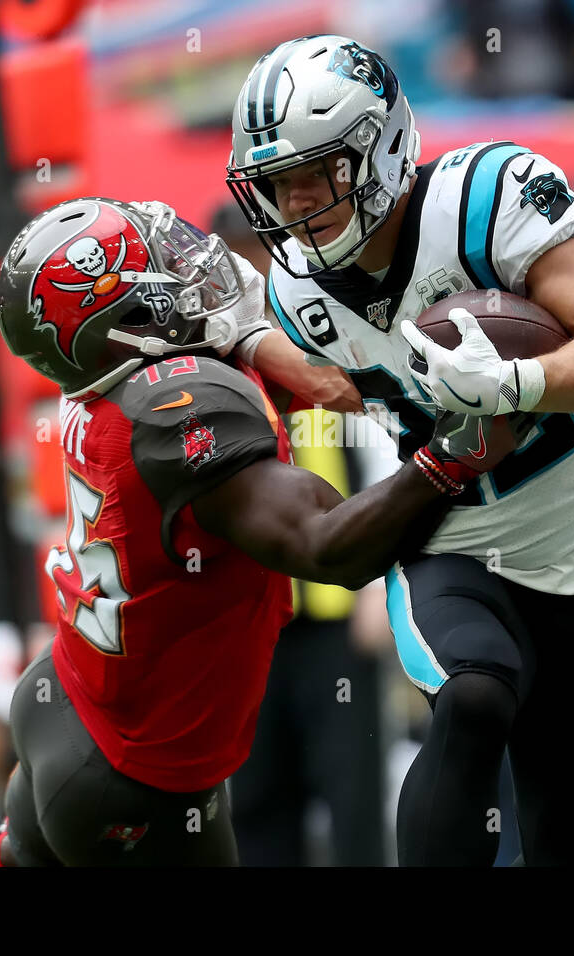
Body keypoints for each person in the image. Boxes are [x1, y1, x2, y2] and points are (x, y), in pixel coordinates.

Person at [0, 197, 524, 867]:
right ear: (124, 320)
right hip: (132, 776)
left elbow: (306, 382)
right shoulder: (173, 410)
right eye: (161, 268)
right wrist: (451, 458)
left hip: (67, 702)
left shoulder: (108, 380)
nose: (190, 266)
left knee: (13, 857)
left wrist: (256, 339)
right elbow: (327, 545)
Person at [225, 35, 574, 865]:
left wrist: (517, 382)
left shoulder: (484, 202)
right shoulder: (297, 290)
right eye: (276, 186)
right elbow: (339, 383)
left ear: (382, 147)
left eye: (313, 176)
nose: (293, 207)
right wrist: (241, 339)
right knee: (472, 696)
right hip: (458, 544)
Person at [210, 201, 392, 866]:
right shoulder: (208, 361)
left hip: (337, 611)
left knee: (354, 802)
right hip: (252, 623)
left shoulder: (323, 333)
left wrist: (382, 580)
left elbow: (382, 442)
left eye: (251, 252)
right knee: (257, 803)